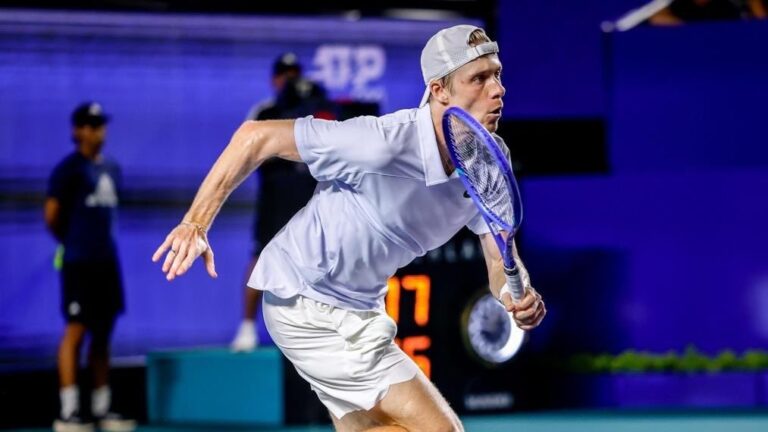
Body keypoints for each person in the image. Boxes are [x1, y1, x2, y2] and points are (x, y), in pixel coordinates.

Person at [153, 25, 546, 431]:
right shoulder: (382, 142)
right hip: (306, 301)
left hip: (358, 306)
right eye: (478, 79)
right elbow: (255, 137)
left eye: (497, 74)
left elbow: (501, 257)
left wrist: (512, 294)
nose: (497, 89)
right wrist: (195, 223)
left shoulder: (489, 157)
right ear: (439, 90)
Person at [231, 53, 337, 351]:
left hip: (310, 200)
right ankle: (247, 327)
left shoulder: (317, 110)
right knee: (261, 257)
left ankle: (319, 330)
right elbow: (247, 153)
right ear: (274, 79)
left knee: (320, 263)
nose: (289, 79)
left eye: (294, 73)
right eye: (284, 74)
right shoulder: (266, 111)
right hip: (275, 201)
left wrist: (315, 104)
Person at [46, 102, 136, 432]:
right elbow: (52, 215)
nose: (98, 130)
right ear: (77, 130)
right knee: (76, 330)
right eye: (90, 124)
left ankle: (102, 408)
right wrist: (71, 242)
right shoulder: (68, 170)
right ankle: (69, 411)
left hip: (106, 262)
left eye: (100, 124)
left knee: (103, 332)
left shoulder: (111, 168)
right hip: (78, 263)